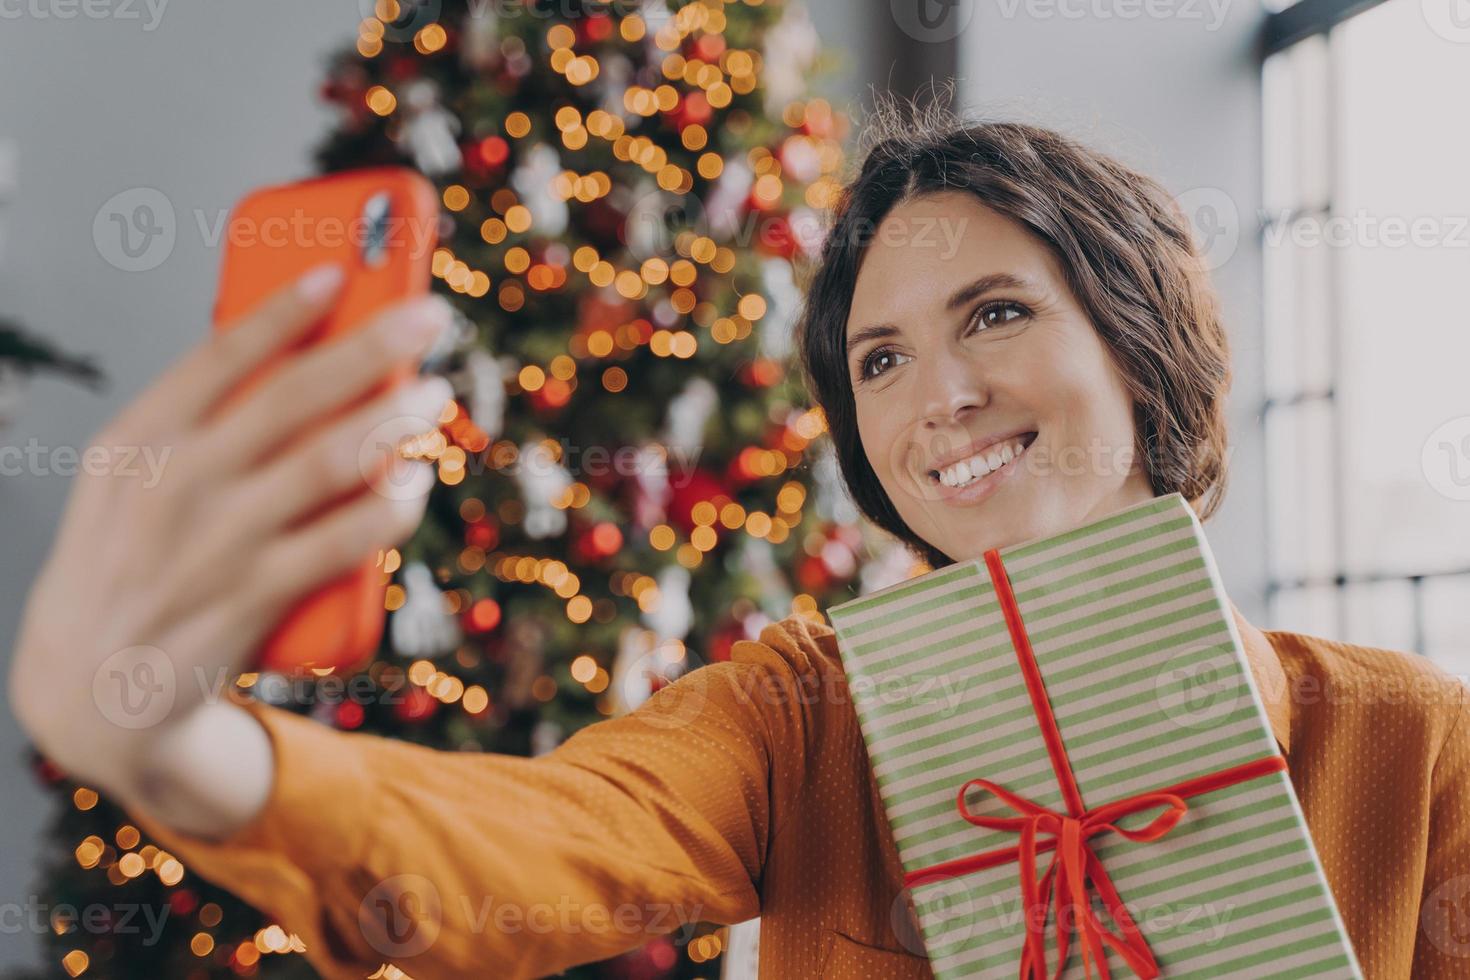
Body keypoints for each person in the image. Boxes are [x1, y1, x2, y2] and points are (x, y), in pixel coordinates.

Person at [8, 108, 1467, 980]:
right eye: (878, 359)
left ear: (1141, 351)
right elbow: (549, 846)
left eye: (996, 315)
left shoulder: (1415, 746)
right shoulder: (799, 711)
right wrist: (169, 745)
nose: (936, 398)